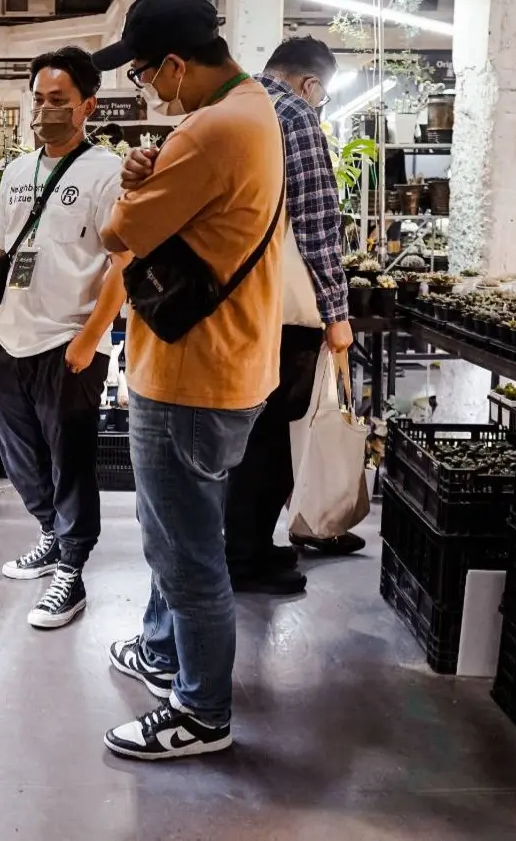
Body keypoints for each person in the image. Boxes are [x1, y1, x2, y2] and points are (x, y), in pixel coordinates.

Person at [94, 0, 285, 760]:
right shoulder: (256, 109)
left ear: (175, 65)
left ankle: (202, 712)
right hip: (228, 362)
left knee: (186, 551)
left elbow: (118, 233)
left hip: (187, 376)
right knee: (172, 530)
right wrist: (158, 165)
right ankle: (163, 652)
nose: (147, 90)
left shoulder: (209, 133)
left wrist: (139, 181)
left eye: (144, 75)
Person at [121, 35, 360, 595]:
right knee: (271, 436)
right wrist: (337, 311)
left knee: (237, 438)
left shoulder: (225, 113)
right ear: (312, 84)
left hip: (219, 307)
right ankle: (248, 553)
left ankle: (240, 547)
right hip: (283, 311)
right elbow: (318, 223)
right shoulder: (296, 115)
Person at [0, 46, 128, 630]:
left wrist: (90, 339)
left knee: (71, 462)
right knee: (21, 458)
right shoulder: (17, 171)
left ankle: (72, 568)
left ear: (87, 105)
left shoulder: (107, 172)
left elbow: (122, 262)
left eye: (58, 101)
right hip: (9, 342)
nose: (45, 111)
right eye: (38, 100)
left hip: (67, 343)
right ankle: (49, 534)